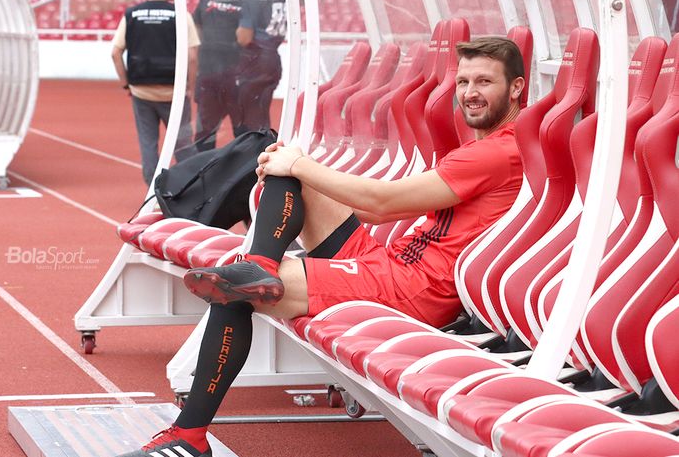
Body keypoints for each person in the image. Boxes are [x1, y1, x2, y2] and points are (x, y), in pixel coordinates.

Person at [116, 36, 526, 457]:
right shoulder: (489, 147)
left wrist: (302, 165)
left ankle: (190, 437)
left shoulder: (497, 152)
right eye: (463, 81)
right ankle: (258, 264)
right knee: (287, 175)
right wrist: (293, 169)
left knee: (231, 288)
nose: (470, 93)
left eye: (484, 82)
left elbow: (384, 202)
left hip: (413, 288)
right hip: (391, 264)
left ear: (516, 87)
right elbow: (380, 215)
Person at [111, 0, 200, 185]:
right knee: (183, 144)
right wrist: (189, 87)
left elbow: (115, 53)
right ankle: (192, 188)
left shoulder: (131, 14)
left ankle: (153, 191)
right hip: (173, 91)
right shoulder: (181, 14)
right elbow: (192, 56)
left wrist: (126, 83)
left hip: (141, 90)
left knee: (148, 143)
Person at [192, 0, 244, 147]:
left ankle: (247, 169)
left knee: (244, 130)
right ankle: (204, 170)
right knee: (205, 132)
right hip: (209, 71)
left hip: (237, 74)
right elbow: (196, 25)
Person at [232, 0, 286, 136]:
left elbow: (245, 37)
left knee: (249, 119)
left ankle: (256, 154)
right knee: (261, 114)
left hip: (255, 59)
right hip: (272, 58)